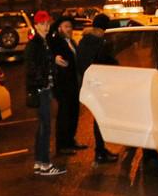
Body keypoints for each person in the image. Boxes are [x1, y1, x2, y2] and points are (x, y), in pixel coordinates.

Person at [25, 10, 66, 176]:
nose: (46, 26)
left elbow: (43, 62)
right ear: (36, 26)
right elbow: (31, 68)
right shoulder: (34, 44)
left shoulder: (44, 42)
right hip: (41, 90)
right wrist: (42, 81)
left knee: (43, 126)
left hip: (44, 88)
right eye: (42, 24)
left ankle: (39, 162)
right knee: (46, 127)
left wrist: (53, 60)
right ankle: (45, 164)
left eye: (47, 23)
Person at [76, 13, 119, 165]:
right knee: (100, 119)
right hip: (100, 85)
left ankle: (100, 151)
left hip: (90, 84)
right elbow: (108, 62)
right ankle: (100, 152)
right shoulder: (100, 43)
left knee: (98, 118)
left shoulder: (84, 41)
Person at [49, 16, 85, 156]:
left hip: (74, 83)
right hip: (63, 84)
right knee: (64, 114)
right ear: (59, 28)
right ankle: (62, 145)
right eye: (66, 27)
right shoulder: (56, 41)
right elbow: (48, 52)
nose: (69, 29)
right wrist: (54, 59)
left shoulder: (72, 42)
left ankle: (71, 140)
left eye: (70, 26)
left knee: (73, 113)